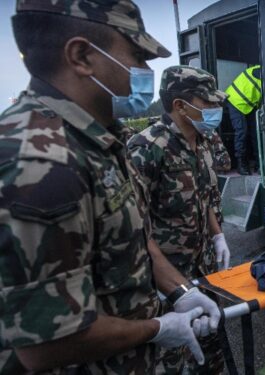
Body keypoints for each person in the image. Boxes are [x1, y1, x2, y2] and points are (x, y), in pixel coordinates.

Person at [0, 1, 221, 373]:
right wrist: (158, 328)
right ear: (82, 56)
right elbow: (49, 342)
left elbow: (136, 237)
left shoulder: (98, 137)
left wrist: (182, 292)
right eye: (137, 55)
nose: (147, 71)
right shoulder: (39, 161)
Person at [128, 66, 233, 374]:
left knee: (212, 342)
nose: (216, 110)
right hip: (169, 278)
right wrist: (167, 284)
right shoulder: (146, 147)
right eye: (208, 103)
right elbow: (135, 227)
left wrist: (218, 236)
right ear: (179, 105)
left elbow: (204, 197)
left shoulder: (201, 142)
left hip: (203, 266)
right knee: (175, 357)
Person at [225, 64, 262, 175]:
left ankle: (259, 164)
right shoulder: (260, 71)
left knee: (256, 133)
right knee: (242, 131)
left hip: (249, 105)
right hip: (235, 100)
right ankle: (241, 164)